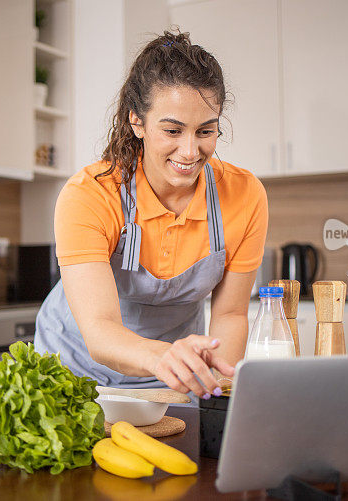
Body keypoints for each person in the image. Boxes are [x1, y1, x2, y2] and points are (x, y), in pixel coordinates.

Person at [34, 30, 268, 401]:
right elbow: (99, 329)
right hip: (72, 373)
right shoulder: (91, 193)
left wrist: (218, 391)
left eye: (206, 131)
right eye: (173, 130)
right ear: (137, 122)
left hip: (174, 381)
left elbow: (231, 315)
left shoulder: (243, 195)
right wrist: (164, 357)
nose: (190, 151)